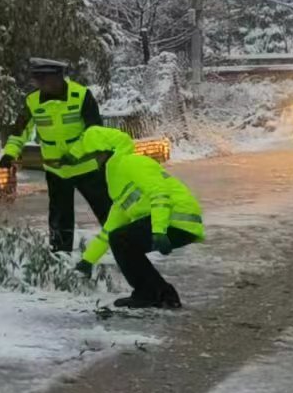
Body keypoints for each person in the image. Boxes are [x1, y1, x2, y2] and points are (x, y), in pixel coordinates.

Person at [67, 125, 205, 309]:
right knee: (120, 238)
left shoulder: (131, 163)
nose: (94, 162)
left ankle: (150, 294)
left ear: (107, 151)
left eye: (94, 155)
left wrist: (159, 231)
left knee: (122, 240)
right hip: (168, 222)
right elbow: (110, 228)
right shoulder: (119, 184)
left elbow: (160, 193)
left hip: (176, 220)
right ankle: (162, 294)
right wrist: (87, 260)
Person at [0, 58, 110, 253]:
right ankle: (60, 254)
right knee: (60, 216)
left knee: (106, 210)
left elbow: (95, 131)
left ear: (58, 77)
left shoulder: (81, 95)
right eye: (37, 80)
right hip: (56, 170)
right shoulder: (32, 101)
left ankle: (124, 245)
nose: (39, 84)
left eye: (43, 79)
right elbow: (20, 131)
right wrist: (10, 153)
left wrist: (75, 154)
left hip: (87, 167)